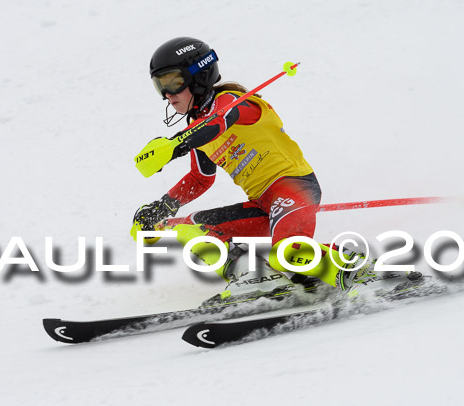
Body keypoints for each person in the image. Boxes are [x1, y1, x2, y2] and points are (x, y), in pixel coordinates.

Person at [131, 37, 367, 300]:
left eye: (173, 81)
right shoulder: (196, 128)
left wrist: (176, 145)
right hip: (262, 203)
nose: (167, 94)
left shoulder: (232, 101)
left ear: (198, 77)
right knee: (189, 227)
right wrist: (162, 208)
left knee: (289, 251)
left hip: (292, 187)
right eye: (159, 85)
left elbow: (219, 122)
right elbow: (200, 179)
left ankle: (365, 274)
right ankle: (256, 278)